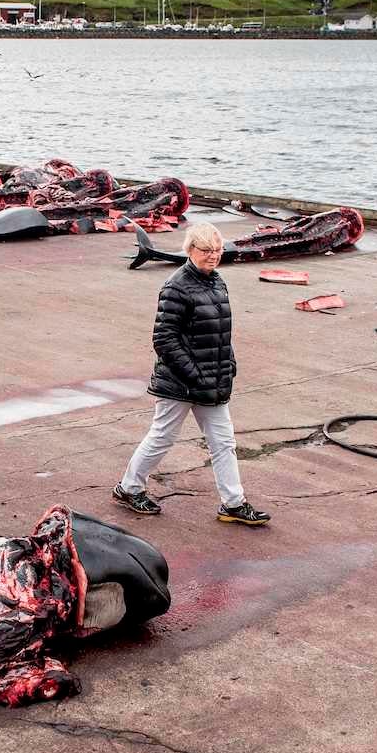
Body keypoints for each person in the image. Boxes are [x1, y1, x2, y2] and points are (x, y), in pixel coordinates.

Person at [113, 222, 272, 526]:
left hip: (213, 380)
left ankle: (233, 504)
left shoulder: (216, 281)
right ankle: (129, 489)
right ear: (190, 250)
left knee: (224, 442)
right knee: (162, 437)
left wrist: (229, 362)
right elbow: (164, 339)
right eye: (206, 251)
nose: (213, 256)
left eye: (217, 250)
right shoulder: (176, 287)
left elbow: (220, 331)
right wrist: (193, 374)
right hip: (180, 383)